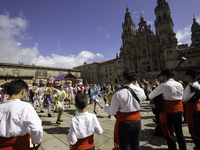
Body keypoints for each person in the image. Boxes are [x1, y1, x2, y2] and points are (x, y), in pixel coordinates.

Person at [104, 70, 146, 150]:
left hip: (124, 123)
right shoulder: (140, 90)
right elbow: (144, 98)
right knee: (136, 145)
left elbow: (112, 112)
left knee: (124, 146)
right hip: (137, 121)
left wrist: (106, 106)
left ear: (123, 79)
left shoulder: (118, 93)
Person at [149, 69, 187, 150]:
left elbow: (150, 96)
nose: (161, 78)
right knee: (180, 133)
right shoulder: (179, 84)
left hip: (168, 112)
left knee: (169, 134)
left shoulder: (164, 85)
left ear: (165, 76)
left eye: (161, 76)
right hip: (179, 110)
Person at [0, 79, 43, 149]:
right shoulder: (26, 106)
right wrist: (36, 141)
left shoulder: (1, 106)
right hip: (20, 145)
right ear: (23, 91)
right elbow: (37, 129)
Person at [182, 69, 200, 150]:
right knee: (197, 125)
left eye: (186, 75)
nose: (185, 77)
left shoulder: (190, 86)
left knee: (193, 127)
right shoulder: (197, 84)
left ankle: (198, 145)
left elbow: (184, 98)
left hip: (191, 108)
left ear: (189, 76)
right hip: (197, 106)